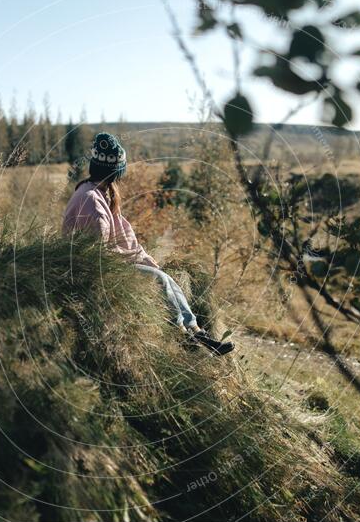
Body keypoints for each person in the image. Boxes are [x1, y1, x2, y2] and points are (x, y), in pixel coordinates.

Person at [62, 132, 234, 356]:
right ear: (114, 171)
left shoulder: (103, 193)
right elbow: (97, 253)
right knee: (159, 279)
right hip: (93, 271)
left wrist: (145, 259)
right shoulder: (91, 200)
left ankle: (196, 331)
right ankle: (182, 334)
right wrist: (136, 263)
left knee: (166, 277)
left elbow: (124, 234)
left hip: (110, 262)